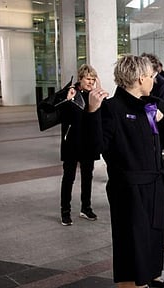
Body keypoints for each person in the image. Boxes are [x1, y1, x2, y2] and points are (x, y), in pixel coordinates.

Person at [86, 54, 164, 288]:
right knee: (132, 254)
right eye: (152, 75)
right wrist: (93, 112)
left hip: (152, 189)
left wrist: (162, 120)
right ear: (140, 79)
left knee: (145, 252)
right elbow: (95, 147)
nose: (155, 79)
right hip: (129, 192)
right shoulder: (112, 108)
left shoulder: (151, 106)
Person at [138, 52, 164, 288]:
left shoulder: (160, 94)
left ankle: (153, 270)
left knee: (158, 217)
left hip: (160, 159)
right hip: (138, 174)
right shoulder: (123, 104)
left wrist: (161, 121)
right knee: (142, 226)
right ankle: (142, 275)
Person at [59, 64, 100, 226]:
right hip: (72, 142)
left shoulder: (93, 95)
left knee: (87, 176)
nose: (91, 82)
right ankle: (65, 211)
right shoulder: (70, 92)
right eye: (88, 79)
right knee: (69, 177)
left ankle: (86, 208)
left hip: (88, 142)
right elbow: (60, 113)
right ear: (80, 79)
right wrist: (67, 101)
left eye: (93, 79)